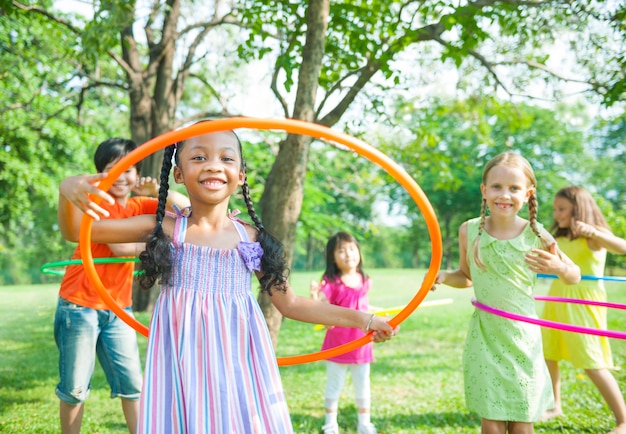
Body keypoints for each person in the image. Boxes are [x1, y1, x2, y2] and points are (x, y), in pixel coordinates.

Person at [57, 128, 397, 434]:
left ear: (240, 174)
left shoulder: (251, 239)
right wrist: (66, 188)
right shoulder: (163, 227)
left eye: (226, 158)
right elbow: (77, 231)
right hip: (181, 363)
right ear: (178, 173)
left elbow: (291, 304)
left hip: (237, 365)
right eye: (199, 157)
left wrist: (364, 320)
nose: (213, 165)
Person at [432, 151, 581, 434]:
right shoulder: (470, 231)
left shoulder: (535, 234)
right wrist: (443, 277)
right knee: (491, 419)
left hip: (522, 337)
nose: (505, 195)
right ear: (484, 190)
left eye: (514, 188)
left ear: (527, 193)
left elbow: (574, 276)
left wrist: (559, 266)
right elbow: (466, 278)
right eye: (497, 187)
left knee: (522, 418)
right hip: (486, 335)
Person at [55, 137, 189, 434]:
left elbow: (188, 209)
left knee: (133, 385)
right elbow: (121, 249)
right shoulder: (95, 205)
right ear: (99, 174)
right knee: (76, 387)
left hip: (118, 308)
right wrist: (159, 246)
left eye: (128, 168)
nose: (121, 176)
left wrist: (160, 192)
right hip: (79, 305)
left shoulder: (142, 204)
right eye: (112, 169)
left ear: (137, 173)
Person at [540, 186, 626, 433]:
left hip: (584, 303)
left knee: (591, 361)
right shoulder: (561, 238)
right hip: (557, 298)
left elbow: (622, 247)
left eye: (562, 209)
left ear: (579, 208)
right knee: (549, 354)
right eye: (555, 209)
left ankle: (623, 420)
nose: (557, 214)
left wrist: (595, 231)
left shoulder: (593, 237)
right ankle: (554, 405)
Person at [310, 231, 379, 434]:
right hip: (338, 344)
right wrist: (316, 296)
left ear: (358, 251)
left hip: (362, 345)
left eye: (351, 248)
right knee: (334, 384)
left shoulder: (365, 280)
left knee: (362, 384)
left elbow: (362, 305)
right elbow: (322, 306)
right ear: (333, 257)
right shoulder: (332, 283)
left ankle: (364, 423)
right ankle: (330, 425)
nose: (348, 254)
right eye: (341, 250)